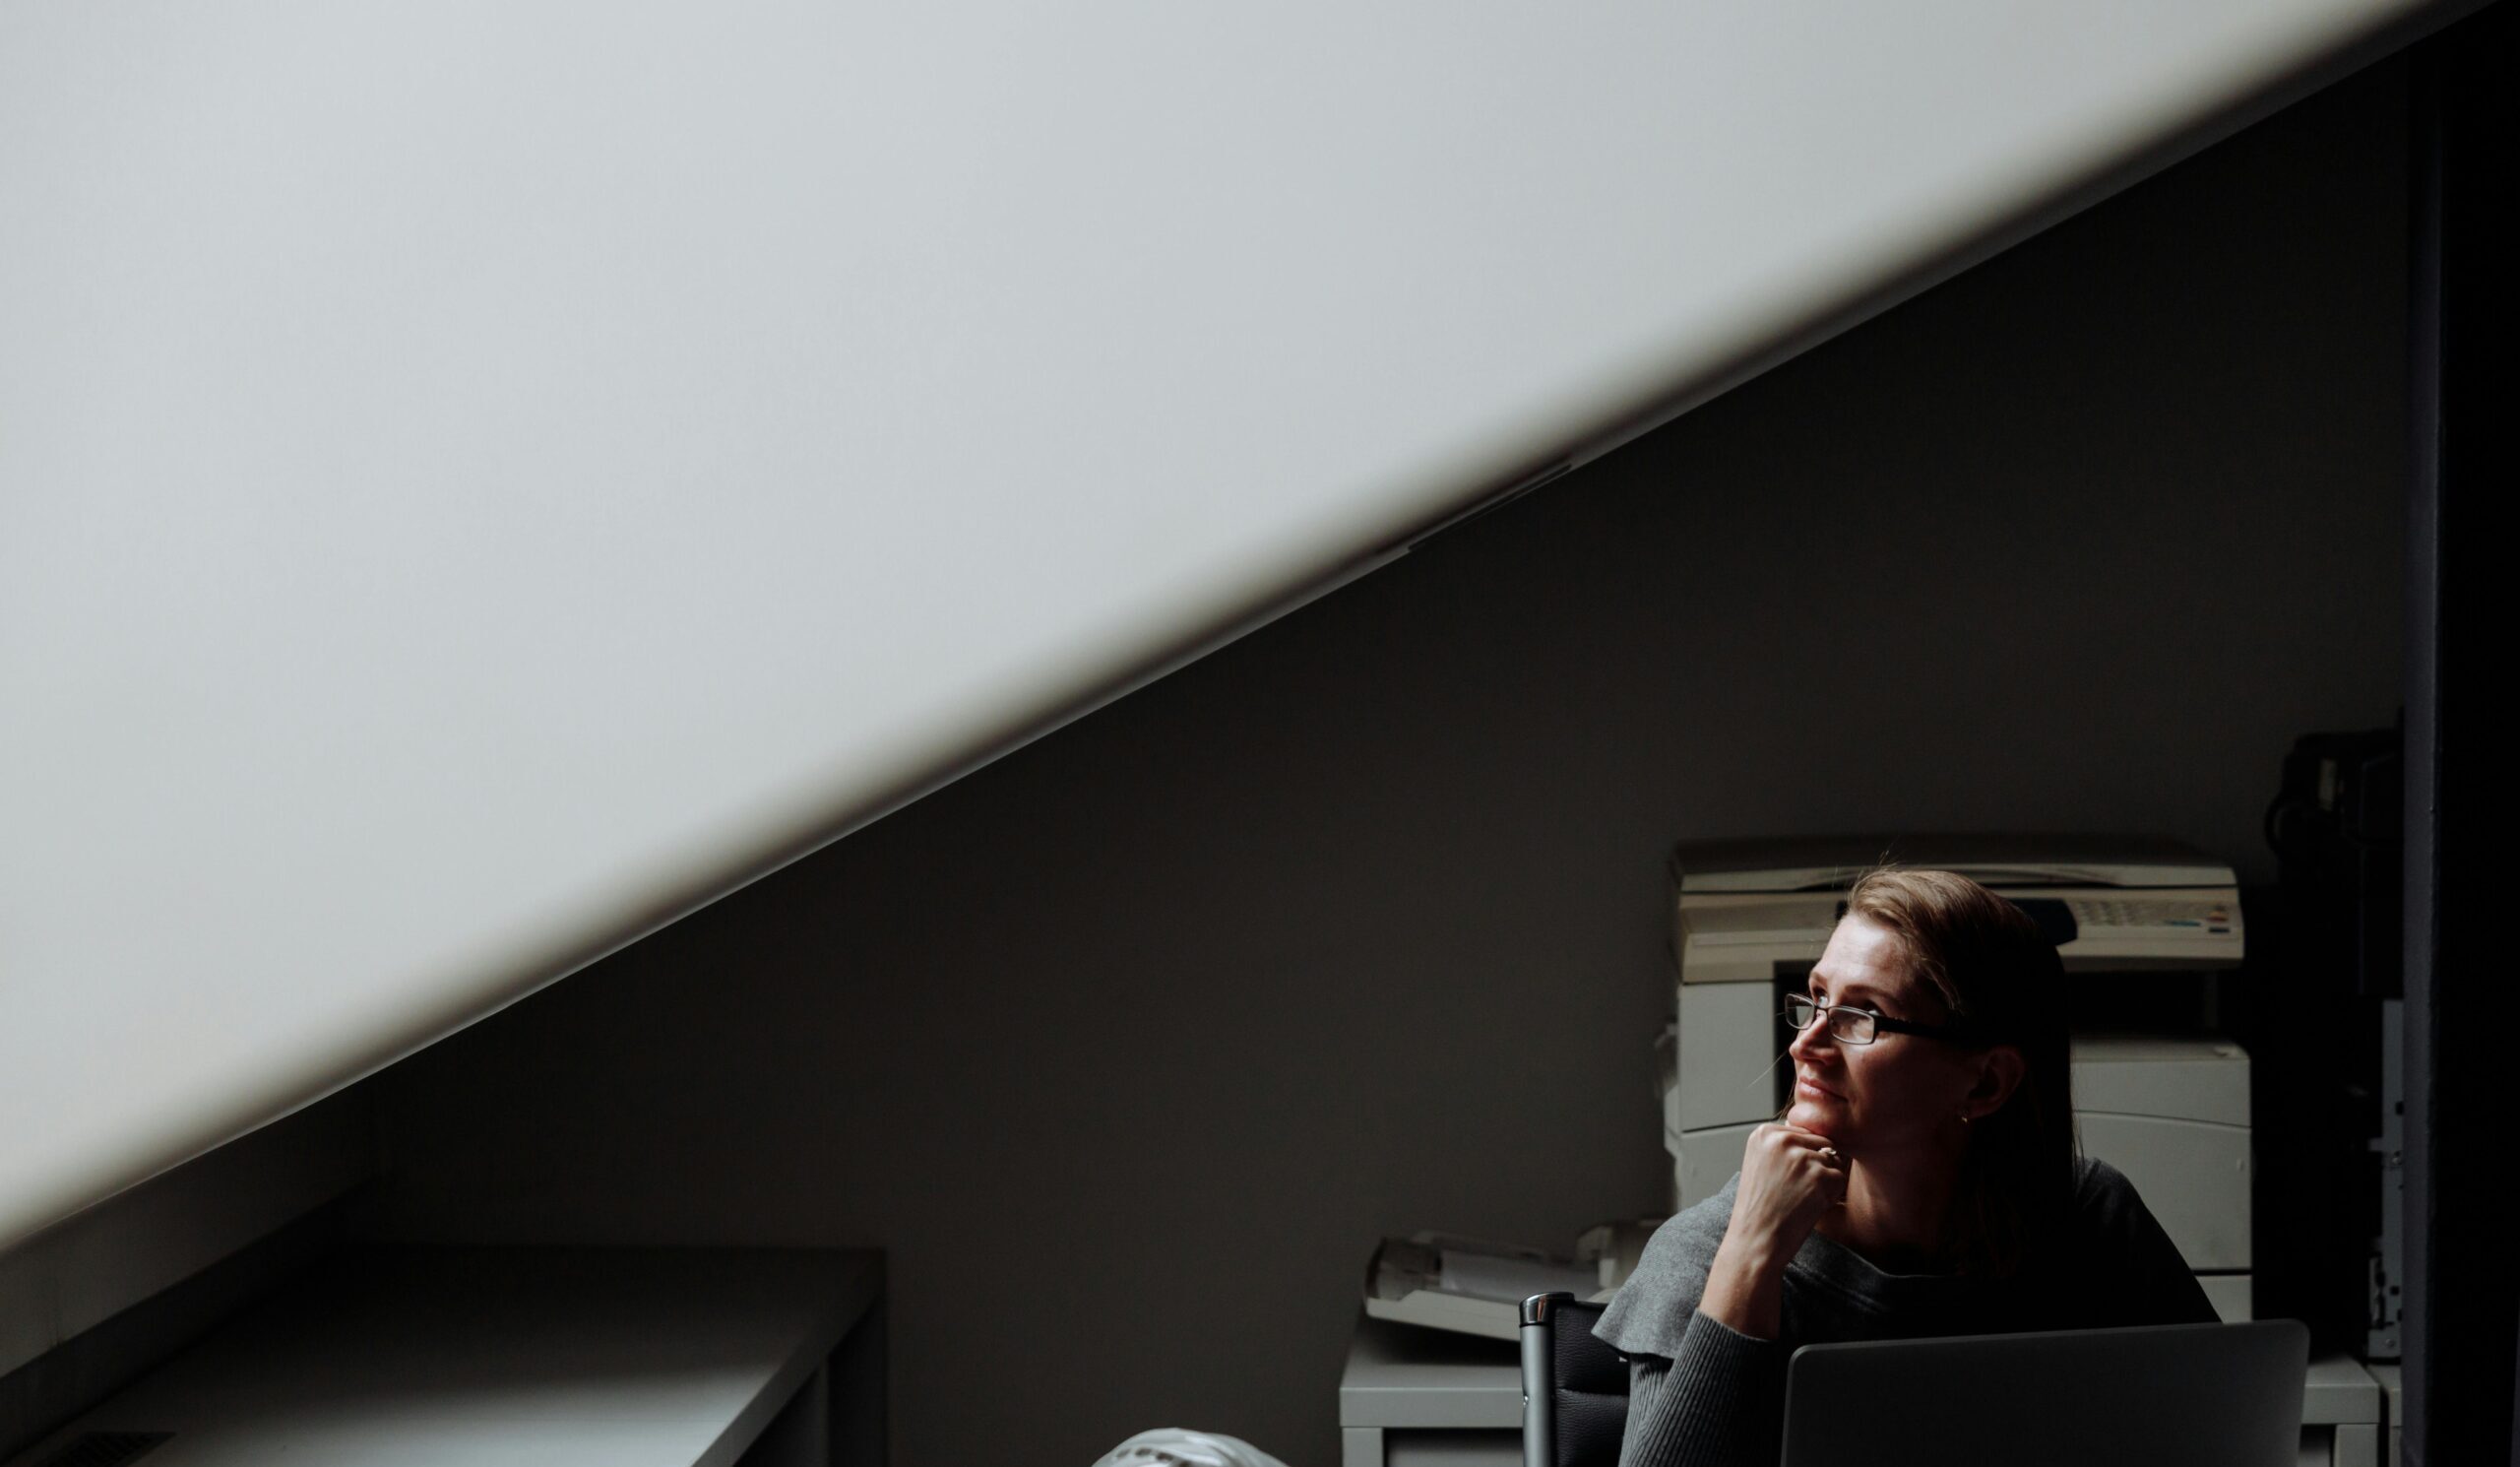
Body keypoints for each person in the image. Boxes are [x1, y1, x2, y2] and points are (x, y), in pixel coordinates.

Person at [1595, 867, 2215, 1467]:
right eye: (1815, 999)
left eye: (1861, 1016)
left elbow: (2219, 1433)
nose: (1804, 1044)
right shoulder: (1705, 1254)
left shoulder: (2090, 1219)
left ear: (1986, 1083)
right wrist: (1749, 1260)